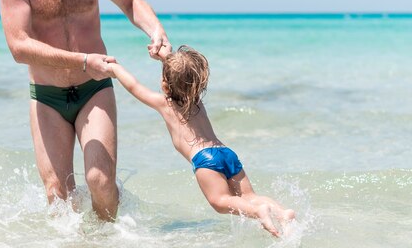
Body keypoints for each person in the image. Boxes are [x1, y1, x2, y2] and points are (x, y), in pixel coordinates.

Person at [0, 0, 171, 222]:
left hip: (94, 89)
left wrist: (156, 30)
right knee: (58, 196)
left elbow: (130, 1)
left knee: (100, 181)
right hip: (47, 97)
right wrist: (81, 60)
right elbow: (19, 46)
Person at [107, 46, 295, 237]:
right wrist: (165, 58)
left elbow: (134, 87)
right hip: (225, 152)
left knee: (220, 202)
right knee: (249, 196)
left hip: (204, 158)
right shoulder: (195, 98)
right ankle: (282, 213)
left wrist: (115, 69)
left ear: (165, 86)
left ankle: (258, 212)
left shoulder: (165, 104)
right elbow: (183, 74)